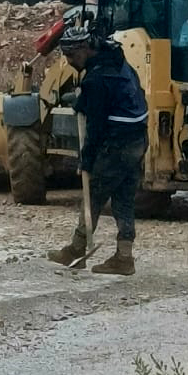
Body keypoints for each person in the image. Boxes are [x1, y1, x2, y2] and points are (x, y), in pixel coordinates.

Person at [47, 26, 149, 275]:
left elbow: (96, 127)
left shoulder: (96, 79)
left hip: (118, 143)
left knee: (93, 195)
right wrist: (85, 99)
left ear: (84, 49)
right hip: (138, 137)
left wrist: (87, 160)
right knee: (124, 199)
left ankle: (77, 249)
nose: (70, 63)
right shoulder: (117, 59)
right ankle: (124, 256)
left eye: (72, 57)